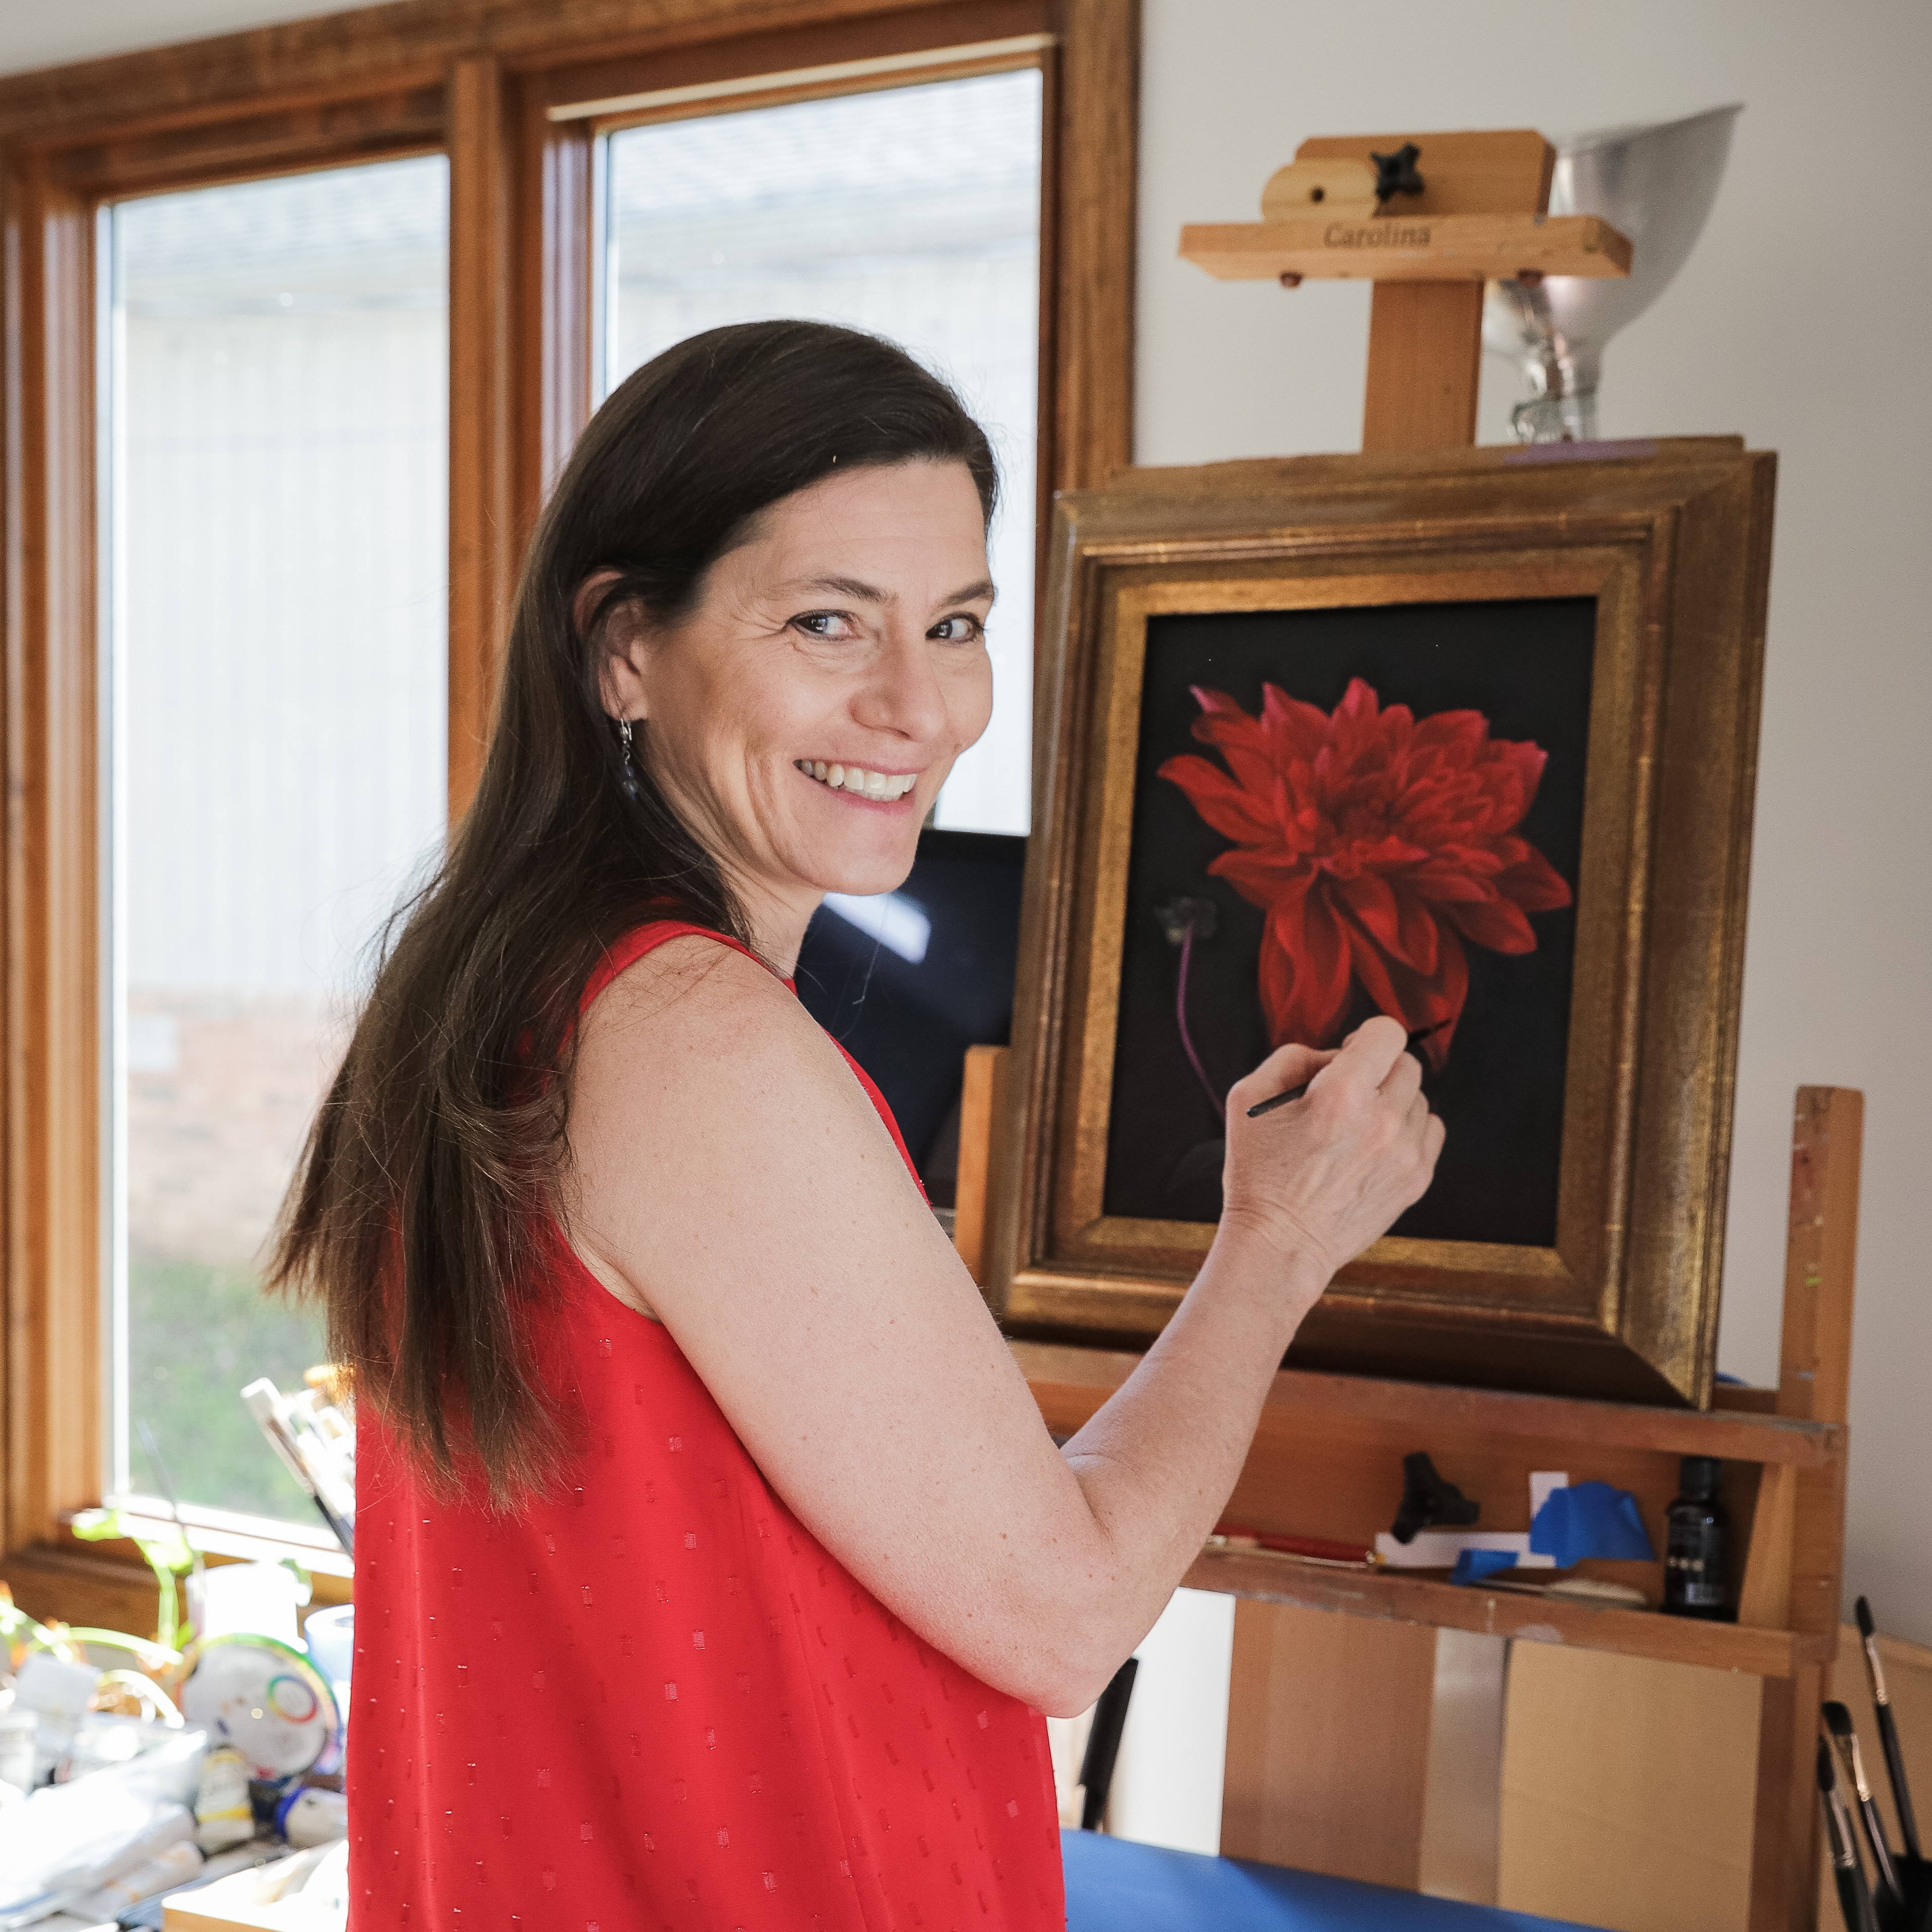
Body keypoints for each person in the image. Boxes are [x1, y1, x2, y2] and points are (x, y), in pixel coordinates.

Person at [272, 319, 1442, 1929]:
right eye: (830, 623)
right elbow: (1066, 1618)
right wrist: (1282, 1240)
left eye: (955, 624)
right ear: (623, 647)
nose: (920, 706)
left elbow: (963, 1552)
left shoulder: (505, 981)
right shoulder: (693, 1041)